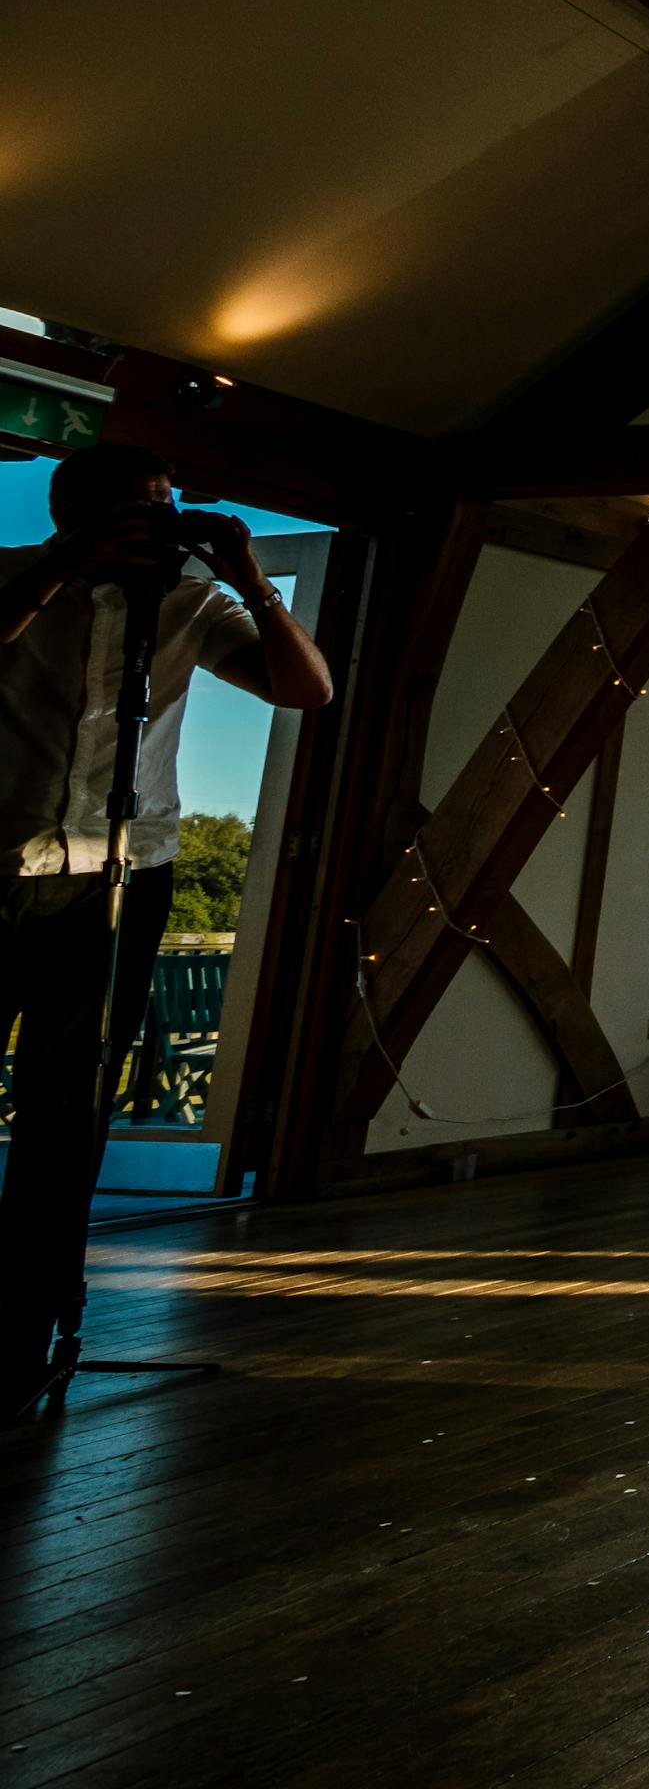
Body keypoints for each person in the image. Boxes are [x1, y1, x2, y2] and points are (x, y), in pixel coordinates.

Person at [2, 443, 331, 1425]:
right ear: (75, 514)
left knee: (68, 1112)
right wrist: (65, 562)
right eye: (138, 511)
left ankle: (22, 1335)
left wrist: (252, 584)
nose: (158, 527)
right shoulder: (17, 576)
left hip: (124, 872)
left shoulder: (191, 604)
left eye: (168, 508)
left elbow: (306, 689)